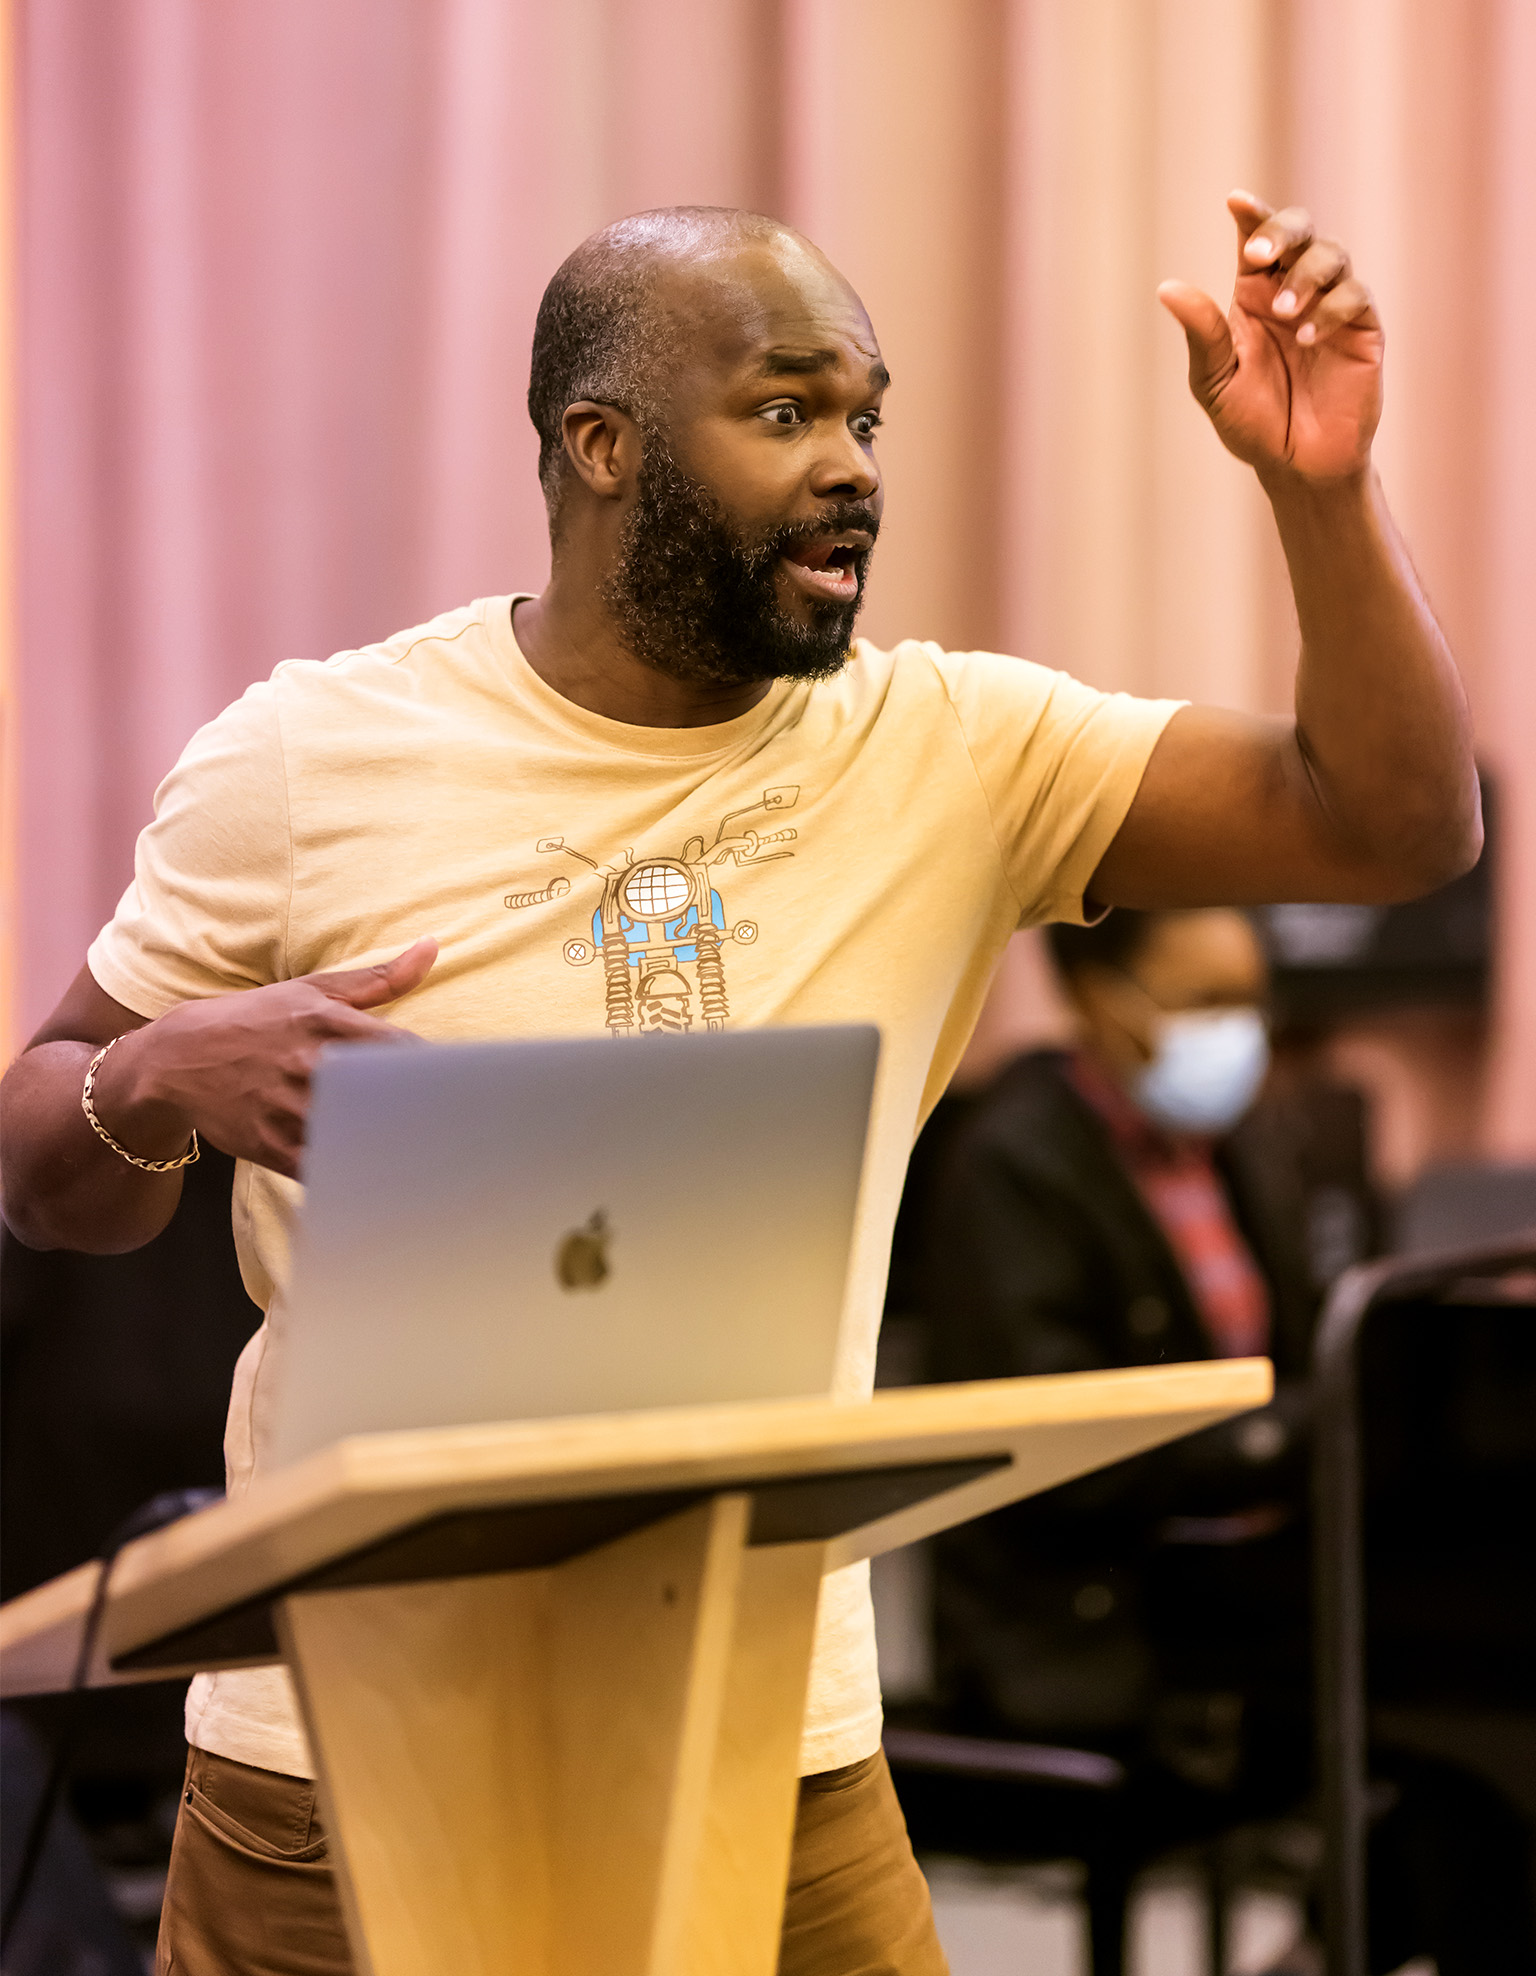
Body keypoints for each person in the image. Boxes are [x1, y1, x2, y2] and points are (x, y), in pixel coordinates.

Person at [0, 193, 1479, 1976]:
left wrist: (1318, 489)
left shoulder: (953, 750)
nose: (851, 464)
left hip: (776, 1748)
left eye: (865, 415)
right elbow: (46, 1153)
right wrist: (159, 1072)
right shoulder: (311, 756)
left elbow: (1395, 824)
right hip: (345, 1759)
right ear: (599, 443)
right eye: (787, 412)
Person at [910, 908, 1536, 1976]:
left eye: (1247, 998)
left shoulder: (1237, 1139)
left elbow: (1305, 1366)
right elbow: (1071, 1460)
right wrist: (1294, 1434)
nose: (1239, 1030)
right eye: (1206, 1001)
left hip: (1240, 1573)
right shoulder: (1012, 1163)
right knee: (1467, 1724)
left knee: (1483, 1720)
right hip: (1088, 1607)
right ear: (1103, 998)